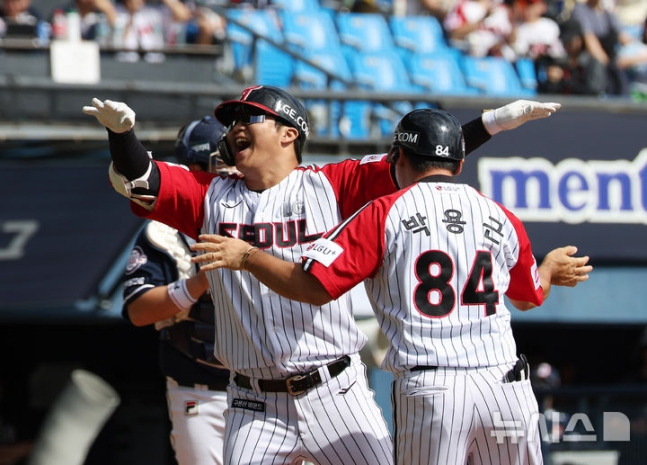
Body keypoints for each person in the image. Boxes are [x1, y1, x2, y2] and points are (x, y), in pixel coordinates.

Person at [82, 85, 562, 465]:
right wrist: (122, 136)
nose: (233, 129)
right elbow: (142, 178)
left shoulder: (334, 185)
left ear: (289, 132)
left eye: (248, 118)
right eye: (229, 123)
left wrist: (491, 124)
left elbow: (427, 156)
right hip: (251, 401)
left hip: (336, 390)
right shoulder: (207, 194)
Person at [191, 107, 593, 465]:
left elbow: (314, 286)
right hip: (506, 386)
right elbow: (528, 297)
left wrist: (248, 257)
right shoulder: (500, 213)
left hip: (435, 388)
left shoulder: (382, 212)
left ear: (398, 158)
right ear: (458, 161)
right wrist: (548, 270)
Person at [121, 116, 233, 465]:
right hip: (200, 390)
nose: (229, 173)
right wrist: (198, 284)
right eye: (218, 164)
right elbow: (138, 311)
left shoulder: (272, 213)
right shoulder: (165, 229)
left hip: (269, 391)